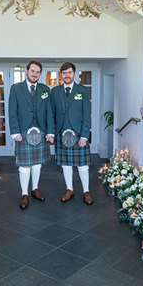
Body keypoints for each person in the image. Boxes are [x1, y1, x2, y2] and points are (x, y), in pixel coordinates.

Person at [9, 60, 54, 209]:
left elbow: (49, 112)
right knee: (24, 166)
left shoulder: (45, 89)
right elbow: (12, 112)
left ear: (40, 74)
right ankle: (24, 194)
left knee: (37, 164)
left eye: (38, 72)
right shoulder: (16, 88)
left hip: (41, 131)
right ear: (26, 71)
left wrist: (50, 132)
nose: (35, 74)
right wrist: (15, 132)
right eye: (32, 71)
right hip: (22, 131)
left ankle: (34, 189)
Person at [50, 62, 93, 204]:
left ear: (75, 73)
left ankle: (86, 191)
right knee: (66, 165)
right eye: (64, 73)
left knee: (83, 165)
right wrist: (52, 132)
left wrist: (84, 136)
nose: (67, 75)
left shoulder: (82, 90)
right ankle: (69, 189)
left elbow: (87, 114)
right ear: (61, 74)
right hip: (61, 133)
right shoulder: (55, 91)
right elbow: (52, 113)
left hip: (79, 133)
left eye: (69, 73)